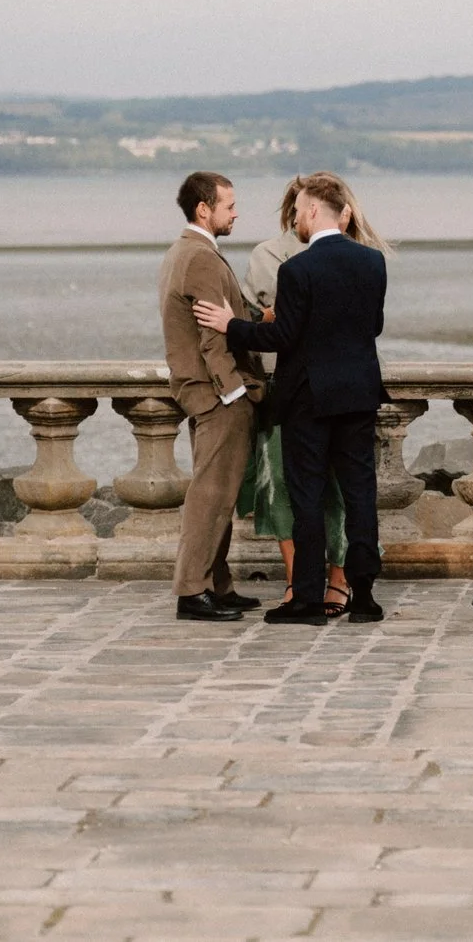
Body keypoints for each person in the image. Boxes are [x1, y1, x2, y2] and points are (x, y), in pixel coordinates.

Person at [194, 171, 387, 626]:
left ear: (315, 211)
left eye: (299, 211)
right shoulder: (372, 263)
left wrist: (232, 325)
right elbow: (372, 327)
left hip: (309, 401)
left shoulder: (296, 269)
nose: (296, 219)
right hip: (359, 395)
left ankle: (305, 600)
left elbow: (281, 336)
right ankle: (364, 598)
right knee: (360, 495)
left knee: (307, 498)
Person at [237, 177, 349, 614]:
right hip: (285, 389)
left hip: (333, 388)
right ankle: (297, 580)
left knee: (335, 489)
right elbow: (268, 323)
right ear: (299, 210)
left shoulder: (356, 253)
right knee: (281, 485)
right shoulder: (268, 256)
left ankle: (336, 580)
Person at [157, 171, 264, 623]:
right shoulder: (200, 257)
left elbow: (229, 315)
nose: (236, 212)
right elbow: (209, 336)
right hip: (217, 396)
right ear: (205, 208)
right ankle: (192, 591)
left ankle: (217, 586)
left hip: (207, 394)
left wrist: (263, 317)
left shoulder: (184, 251)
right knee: (211, 495)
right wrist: (233, 391)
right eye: (229, 205)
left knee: (219, 493)